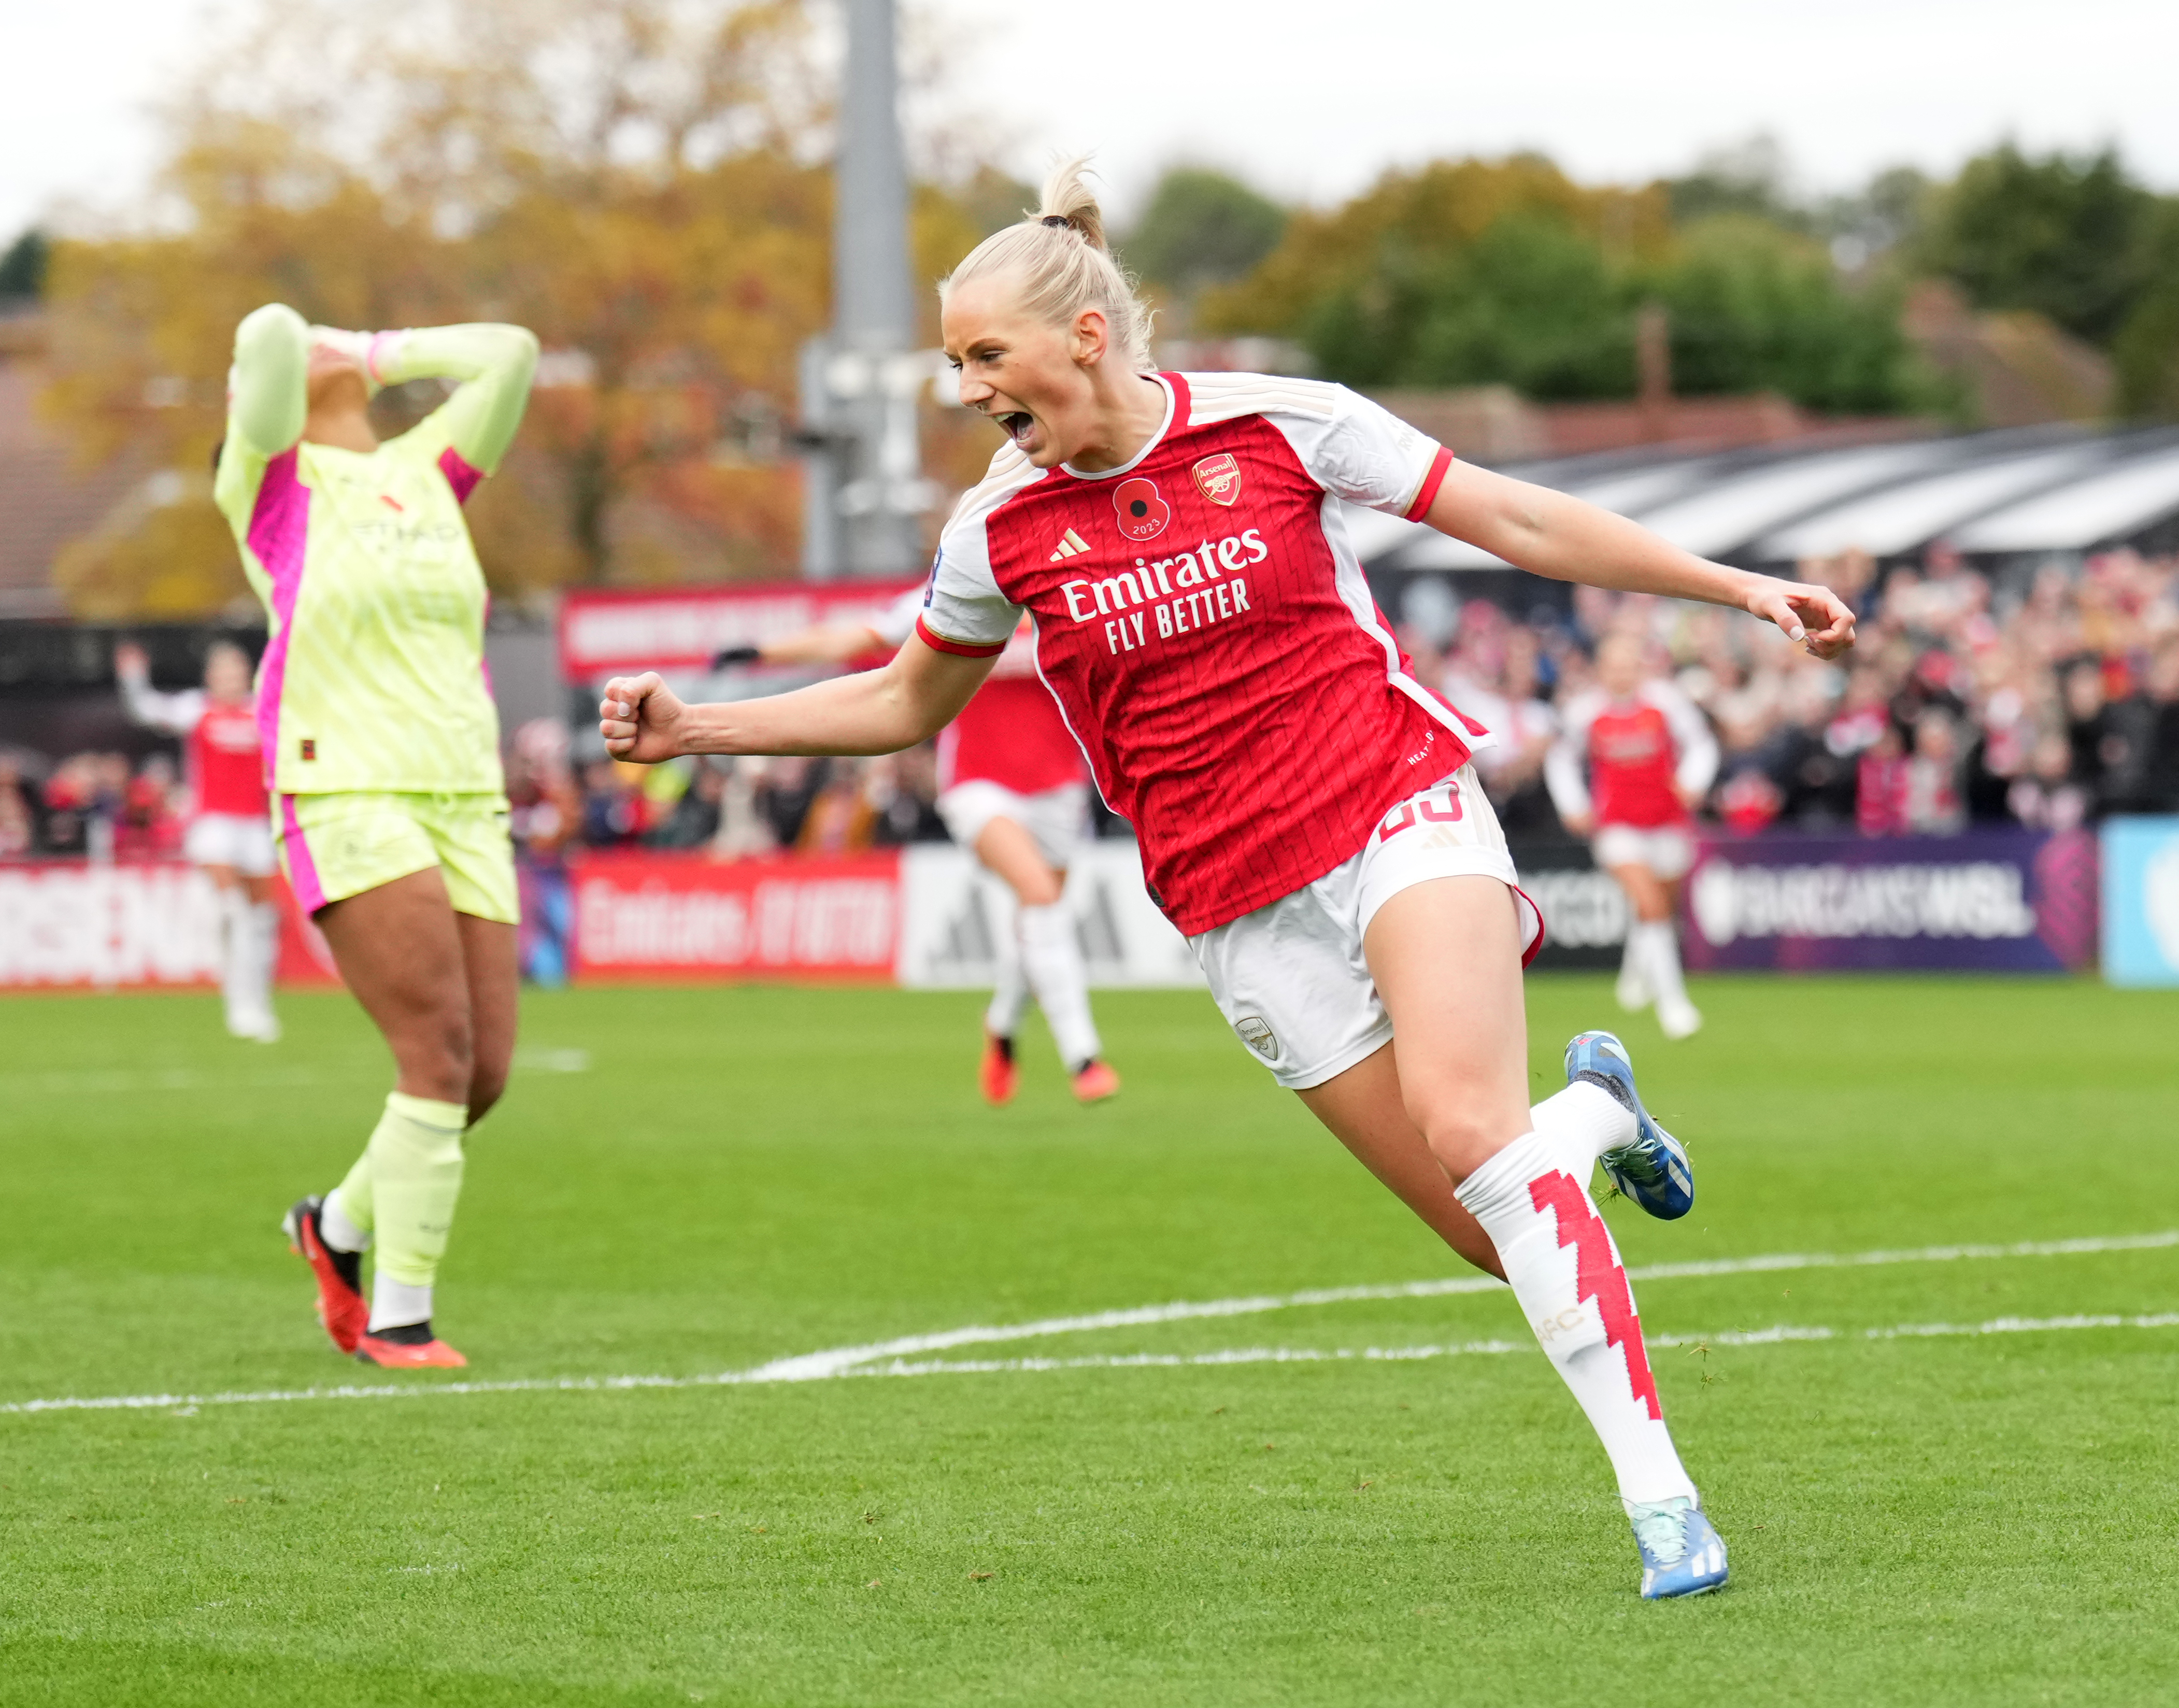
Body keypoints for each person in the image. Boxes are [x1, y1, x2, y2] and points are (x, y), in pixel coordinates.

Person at [599, 160, 1854, 1598]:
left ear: (1081, 337)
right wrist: (699, 728)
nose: (963, 390)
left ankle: (1663, 1508)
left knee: (1467, 1130)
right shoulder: (992, 532)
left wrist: (1737, 586)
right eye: (951, 363)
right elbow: (901, 704)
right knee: (1484, 1225)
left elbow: (1509, 519)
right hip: (1233, 905)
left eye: (980, 356)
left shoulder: (1281, 425)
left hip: (1390, 801)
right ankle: (1590, 1112)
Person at [213, 298, 538, 1370]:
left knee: (481, 1072)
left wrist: (373, 353)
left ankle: (335, 1227)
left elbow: (509, 355)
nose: (320, 344)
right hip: (344, 787)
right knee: (434, 1054)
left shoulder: (425, 466)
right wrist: (317, 345)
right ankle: (401, 1313)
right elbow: (264, 331)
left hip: (461, 791)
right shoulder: (268, 479)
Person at [724, 590, 1118, 1104]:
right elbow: (858, 634)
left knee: (1038, 920)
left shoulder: (1068, 586)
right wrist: (763, 652)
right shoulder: (961, 583)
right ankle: (1082, 1058)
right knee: (1040, 897)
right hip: (978, 785)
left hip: (1059, 788)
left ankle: (1000, 1025)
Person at [1549, 636, 1718, 1040]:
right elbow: (1559, 760)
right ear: (1600, 670)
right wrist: (1572, 804)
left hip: (1667, 821)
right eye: (1613, 666)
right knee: (1651, 905)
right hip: (1617, 827)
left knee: (1659, 907)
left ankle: (1634, 975)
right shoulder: (1584, 712)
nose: (1620, 674)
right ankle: (1674, 1005)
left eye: (1627, 665)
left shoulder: (1666, 703)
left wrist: (1693, 782)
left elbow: (1701, 744)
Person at [118, 640, 281, 1041]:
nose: (231, 680)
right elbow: (146, 709)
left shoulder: (265, 710)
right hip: (214, 824)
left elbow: (304, 744)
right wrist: (133, 676)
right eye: (223, 672)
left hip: (256, 826)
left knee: (262, 920)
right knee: (231, 910)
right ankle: (237, 1005)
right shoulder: (196, 708)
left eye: (238, 672)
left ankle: (257, 1003)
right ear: (211, 677)